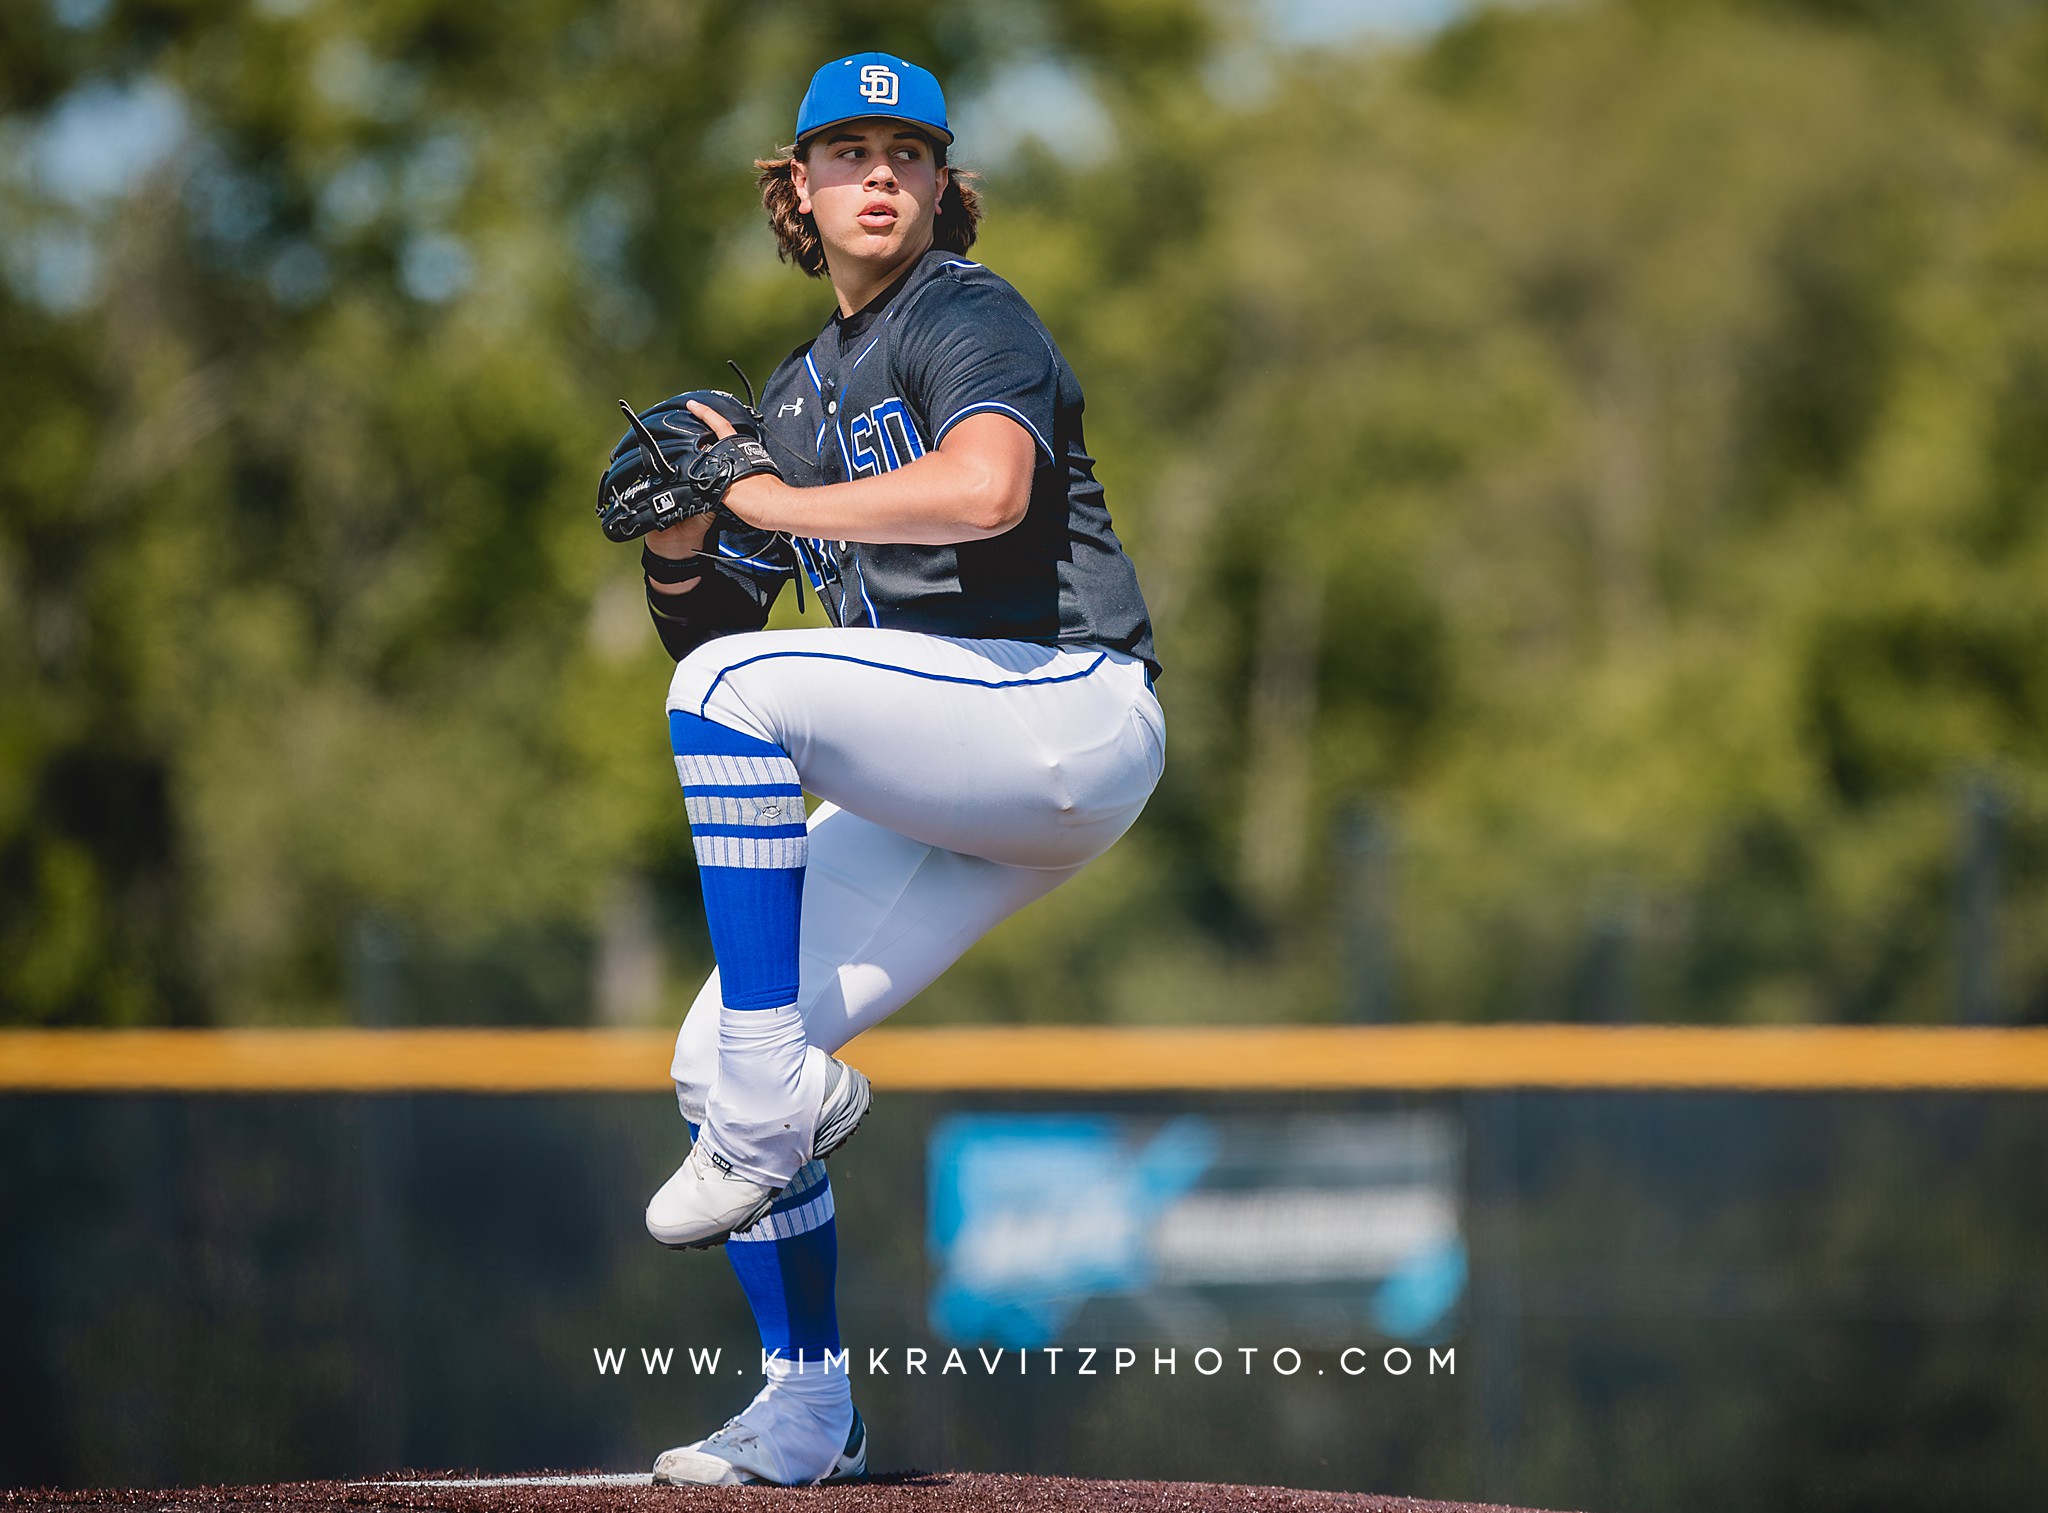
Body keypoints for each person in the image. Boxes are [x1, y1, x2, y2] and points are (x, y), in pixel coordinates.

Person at [629, 52, 1163, 1486]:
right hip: (947, 778)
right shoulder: (797, 392)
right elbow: (721, 618)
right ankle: (808, 1406)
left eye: (908, 151)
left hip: (1066, 708)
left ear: (943, 185)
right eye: (847, 151)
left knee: (731, 705)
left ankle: (772, 1090)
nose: (879, 174)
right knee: (706, 1058)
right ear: (794, 188)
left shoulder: (965, 309)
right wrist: (689, 533)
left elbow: (989, 488)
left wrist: (771, 494)